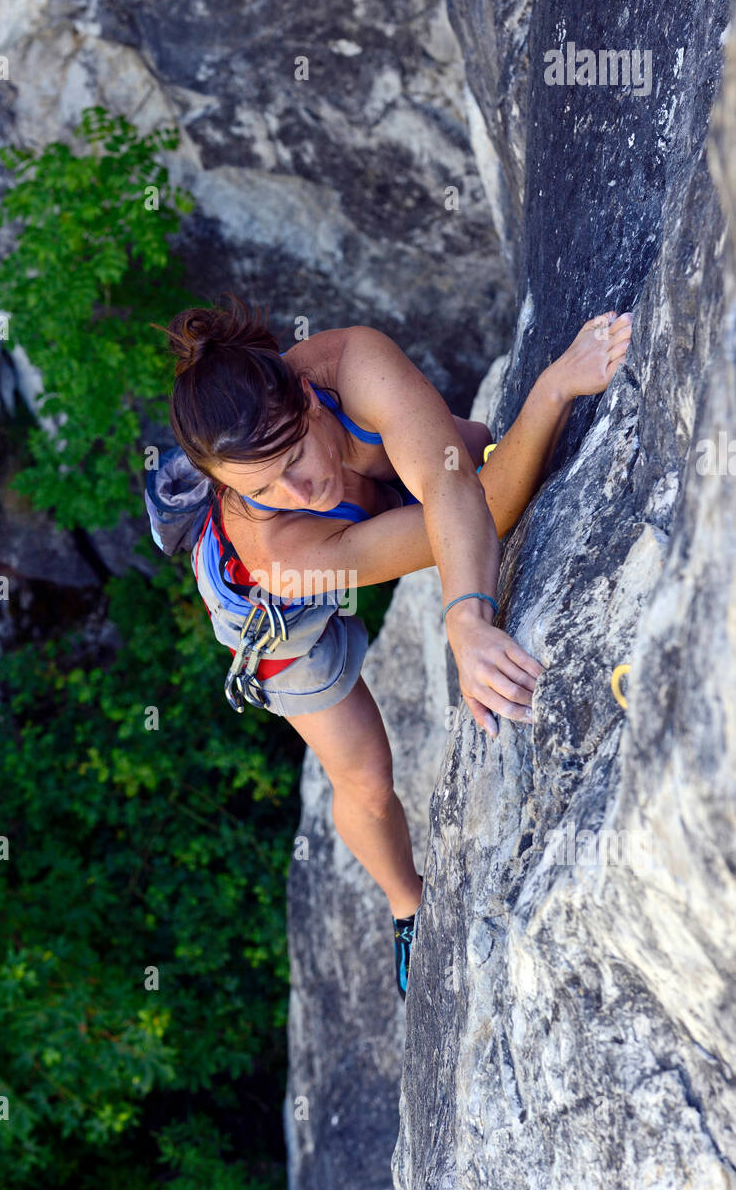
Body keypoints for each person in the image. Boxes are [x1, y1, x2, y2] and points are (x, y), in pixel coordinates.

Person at [154, 294, 633, 999]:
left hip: (354, 500)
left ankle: (381, 467)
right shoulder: (281, 543)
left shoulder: (351, 362)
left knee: (467, 448)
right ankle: (405, 905)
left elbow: (451, 487)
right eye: (260, 486)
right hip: (275, 611)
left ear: (311, 398)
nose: (295, 489)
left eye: (292, 456)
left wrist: (467, 613)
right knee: (365, 778)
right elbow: (486, 508)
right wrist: (552, 387)